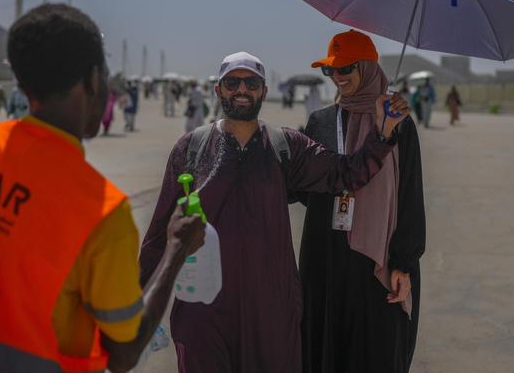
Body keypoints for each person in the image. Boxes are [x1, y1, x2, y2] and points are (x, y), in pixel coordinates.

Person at [0, 4, 205, 373]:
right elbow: (124, 351)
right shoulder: (99, 210)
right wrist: (176, 250)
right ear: (92, 80)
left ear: (22, 83)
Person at [140, 51, 409, 373]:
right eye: (232, 82)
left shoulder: (287, 146)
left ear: (264, 91)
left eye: (251, 82)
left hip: (271, 307)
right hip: (204, 307)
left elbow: (345, 173)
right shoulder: (191, 148)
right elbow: (159, 234)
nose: (242, 90)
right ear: (218, 90)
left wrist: (382, 134)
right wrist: (138, 300)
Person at [295, 29, 425, 373]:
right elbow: (307, 187)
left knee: (374, 348)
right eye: (330, 70)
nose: (338, 78)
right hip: (325, 254)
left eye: (346, 68)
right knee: (326, 344)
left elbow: (410, 195)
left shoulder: (398, 122)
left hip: (375, 260)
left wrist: (404, 263)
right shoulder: (320, 121)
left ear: (367, 68)